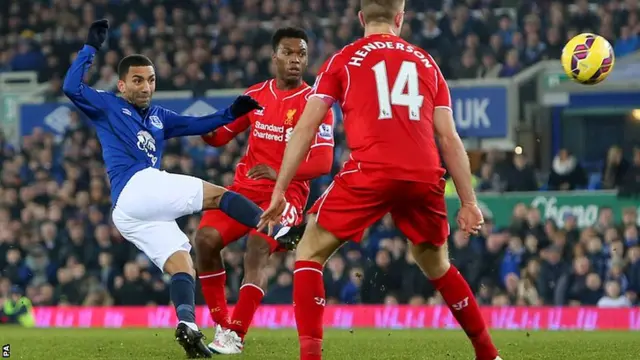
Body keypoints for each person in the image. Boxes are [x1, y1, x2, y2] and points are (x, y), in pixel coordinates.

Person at [259, 1, 502, 359]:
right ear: (400, 18)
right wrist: (468, 202)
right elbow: (449, 139)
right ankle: (487, 353)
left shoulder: (344, 59)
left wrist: (280, 189)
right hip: (423, 173)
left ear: (361, 18)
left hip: (372, 169)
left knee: (309, 252)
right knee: (436, 263)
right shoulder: (426, 63)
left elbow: (306, 127)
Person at [63, 20, 302, 358]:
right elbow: (71, 88)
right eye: (137, 80)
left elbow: (197, 124)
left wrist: (231, 113)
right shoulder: (107, 106)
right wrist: (89, 49)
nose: (146, 87)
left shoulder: (159, 116)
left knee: (182, 263)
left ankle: (187, 325)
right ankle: (280, 231)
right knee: (219, 195)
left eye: (151, 80)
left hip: (131, 214)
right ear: (121, 85)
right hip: (136, 185)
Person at [196, 27, 334, 354]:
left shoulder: (316, 103)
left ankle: (236, 334)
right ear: (274, 57)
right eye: (288, 53)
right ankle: (221, 322)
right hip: (243, 190)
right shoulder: (255, 95)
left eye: (301, 54)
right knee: (204, 241)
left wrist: (279, 172)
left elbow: (324, 162)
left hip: (286, 194)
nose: (295, 60)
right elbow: (221, 136)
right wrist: (200, 128)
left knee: (257, 249)